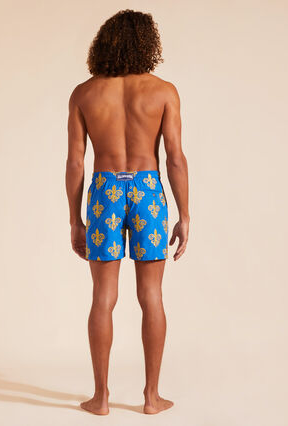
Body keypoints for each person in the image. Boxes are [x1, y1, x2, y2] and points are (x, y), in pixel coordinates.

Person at [65, 9, 189, 415]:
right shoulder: (163, 91)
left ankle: (100, 398)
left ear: (105, 43)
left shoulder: (84, 94)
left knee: (103, 296)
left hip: (104, 191)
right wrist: (184, 215)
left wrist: (75, 220)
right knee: (151, 294)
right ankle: (151, 397)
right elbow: (174, 159)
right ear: (147, 44)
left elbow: (76, 163)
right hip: (148, 190)